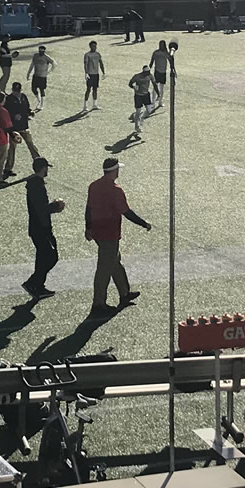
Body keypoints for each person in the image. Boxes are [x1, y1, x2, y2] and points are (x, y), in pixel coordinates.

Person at [84, 157, 150, 313]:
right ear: (114, 170)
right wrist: (144, 223)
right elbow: (126, 212)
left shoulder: (93, 186)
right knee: (104, 269)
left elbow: (89, 208)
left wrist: (88, 228)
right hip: (110, 234)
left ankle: (125, 293)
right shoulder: (116, 190)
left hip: (98, 232)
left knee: (114, 262)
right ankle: (98, 303)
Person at [23, 156, 64, 299]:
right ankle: (34, 283)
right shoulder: (38, 186)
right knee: (51, 257)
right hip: (41, 228)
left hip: (37, 227)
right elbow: (41, 209)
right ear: (43, 168)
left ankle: (37, 285)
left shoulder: (34, 184)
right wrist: (56, 206)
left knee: (42, 257)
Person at [4, 81, 38, 168]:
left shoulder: (23, 97)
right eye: (15, 91)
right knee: (12, 149)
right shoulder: (8, 99)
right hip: (14, 128)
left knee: (31, 144)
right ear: (12, 90)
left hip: (24, 125)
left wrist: (30, 112)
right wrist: (14, 116)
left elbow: (27, 108)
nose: (17, 93)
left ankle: (38, 161)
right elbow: (5, 113)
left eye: (18, 91)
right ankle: (8, 168)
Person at [127, 64, 153, 139]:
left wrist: (158, 94)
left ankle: (142, 118)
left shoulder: (150, 76)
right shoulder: (137, 76)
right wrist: (134, 87)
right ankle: (136, 127)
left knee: (149, 110)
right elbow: (130, 83)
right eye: (147, 72)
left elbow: (154, 83)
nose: (148, 73)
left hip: (146, 95)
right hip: (138, 95)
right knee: (138, 111)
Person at [81, 40, 104, 112]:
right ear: (90, 46)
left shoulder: (98, 54)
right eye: (93, 46)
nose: (94, 47)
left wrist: (103, 72)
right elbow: (85, 64)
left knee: (95, 89)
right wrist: (86, 73)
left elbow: (101, 63)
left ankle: (95, 104)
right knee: (88, 89)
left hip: (96, 74)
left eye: (95, 46)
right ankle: (85, 105)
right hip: (90, 74)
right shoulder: (87, 55)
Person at [149, 39, 171, 112]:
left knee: (162, 88)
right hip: (157, 71)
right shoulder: (156, 53)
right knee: (155, 87)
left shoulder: (166, 53)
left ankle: (160, 101)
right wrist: (149, 69)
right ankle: (153, 102)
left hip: (163, 71)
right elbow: (152, 61)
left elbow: (170, 60)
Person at [29, 45, 53, 111]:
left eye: (42, 51)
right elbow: (32, 64)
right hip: (36, 75)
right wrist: (29, 73)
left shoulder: (46, 57)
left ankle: (42, 104)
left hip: (42, 76)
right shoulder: (35, 56)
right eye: (40, 51)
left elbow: (54, 63)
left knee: (42, 90)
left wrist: (49, 71)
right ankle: (39, 100)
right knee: (33, 89)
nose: (41, 53)